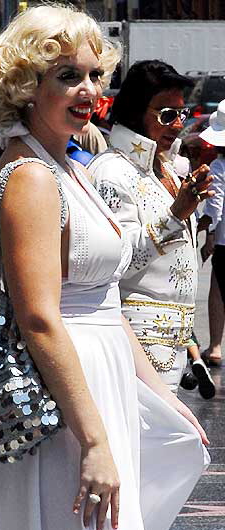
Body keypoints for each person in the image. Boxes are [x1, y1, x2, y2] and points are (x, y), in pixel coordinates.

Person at [0, 6, 208, 530]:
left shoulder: (69, 165)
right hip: (67, 388)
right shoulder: (31, 175)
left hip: (96, 376)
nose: (88, 90)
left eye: (95, 75)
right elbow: (39, 317)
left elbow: (107, 302)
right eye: (67, 76)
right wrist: (95, 439)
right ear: (26, 85)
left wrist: (159, 397)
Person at [88, 60, 215, 397]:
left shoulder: (165, 169)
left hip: (175, 340)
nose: (177, 124)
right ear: (134, 111)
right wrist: (175, 215)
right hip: (135, 340)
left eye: (182, 113)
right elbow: (117, 260)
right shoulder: (112, 172)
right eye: (166, 115)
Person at [198, 99, 225, 368]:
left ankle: (216, 345)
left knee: (218, 289)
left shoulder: (219, 166)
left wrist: (207, 233)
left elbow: (215, 207)